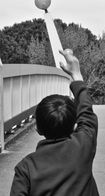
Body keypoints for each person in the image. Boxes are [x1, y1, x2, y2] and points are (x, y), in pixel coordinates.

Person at [10, 49, 99, 196]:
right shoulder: (83, 146)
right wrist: (76, 75)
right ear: (74, 125)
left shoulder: (26, 168)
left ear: (38, 128)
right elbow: (86, 112)